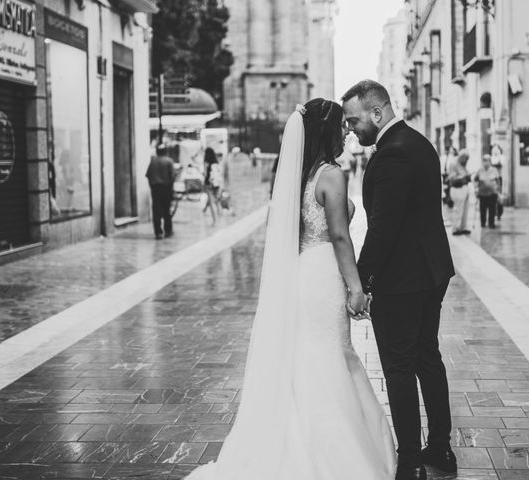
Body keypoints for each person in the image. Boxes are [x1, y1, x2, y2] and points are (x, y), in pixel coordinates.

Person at [184, 99, 396, 480]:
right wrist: (355, 287)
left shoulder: (296, 176)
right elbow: (339, 235)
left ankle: (290, 444)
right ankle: (331, 455)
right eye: (341, 127)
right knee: (329, 353)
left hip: (302, 272)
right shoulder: (331, 174)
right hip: (324, 274)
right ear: (326, 132)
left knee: (306, 355)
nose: (347, 132)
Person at [342, 80, 456, 480]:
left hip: (403, 281)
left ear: (377, 112)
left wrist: (362, 281)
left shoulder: (390, 156)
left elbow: (384, 229)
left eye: (355, 120)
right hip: (432, 271)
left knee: (400, 367)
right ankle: (440, 447)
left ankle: (408, 461)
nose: (352, 129)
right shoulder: (419, 143)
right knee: (427, 356)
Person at [146, 144, 176, 239]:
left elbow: (148, 175)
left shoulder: (153, 161)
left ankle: (158, 232)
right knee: (166, 210)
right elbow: (173, 176)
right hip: (166, 188)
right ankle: (168, 230)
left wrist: (152, 186)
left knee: (156, 211)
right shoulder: (169, 161)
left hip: (155, 189)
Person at [447, 150, 472, 235]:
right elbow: (452, 178)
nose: (466, 161)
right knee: (458, 209)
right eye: (466, 159)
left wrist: (468, 176)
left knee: (465, 209)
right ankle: (456, 228)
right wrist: (463, 177)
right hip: (457, 188)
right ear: (461, 157)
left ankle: (463, 226)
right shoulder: (453, 163)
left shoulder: (463, 165)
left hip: (464, 188)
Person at [474, 154, 501, 229]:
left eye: (488, 161)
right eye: (484, 161)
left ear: (490, 162)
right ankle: (483, 223)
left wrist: (498, 190)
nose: (486, 163)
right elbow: (475, 180)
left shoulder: (494, 170)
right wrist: (476, 189)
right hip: (482, 193)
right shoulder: (480, 170)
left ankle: (491, 223)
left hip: (492, 193)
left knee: (492, 209)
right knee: (482, 209)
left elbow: (498, 181)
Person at [202, 147, 223, 224]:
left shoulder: (207, 163)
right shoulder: (216, 162)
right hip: (217, 183)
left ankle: (214, 219)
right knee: (216, 199)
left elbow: (205, 173)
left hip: (209, 183)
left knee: (211, 201)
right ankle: (220, 213)